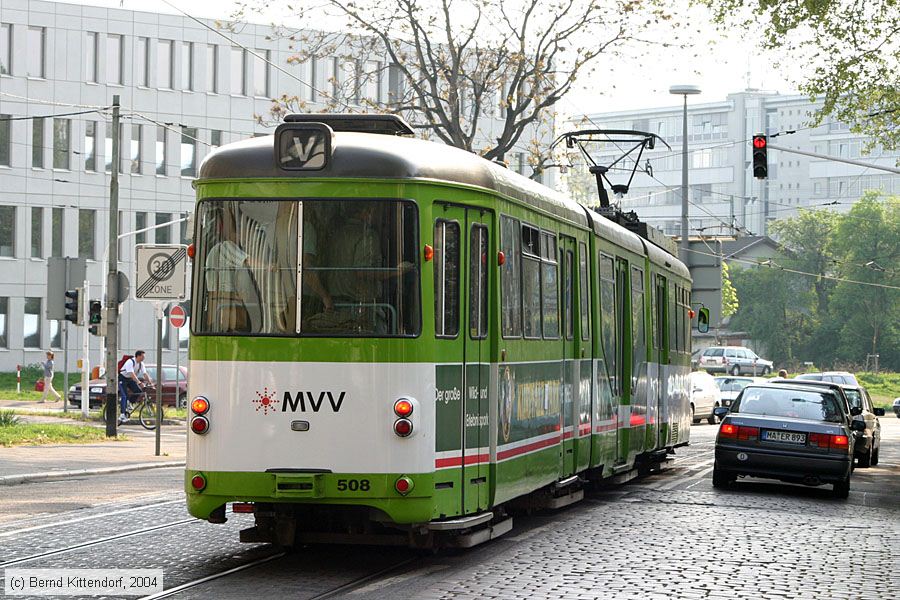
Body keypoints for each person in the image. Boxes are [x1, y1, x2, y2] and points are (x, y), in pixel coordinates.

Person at [203, 208, 263, 332]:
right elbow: (249, 262)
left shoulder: (215, 250)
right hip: (228, 309)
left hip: (218, 310)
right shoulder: (226, 247)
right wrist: (270, 267)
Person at [118, 351, 153, 424]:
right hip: (122, 378)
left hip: (130, 379)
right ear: (138, 356)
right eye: (143, 356)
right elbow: (132, 374)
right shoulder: (130, 362)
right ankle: (122, 415)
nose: (144, 358)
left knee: (138, 391)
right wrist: (139, 383)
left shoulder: (141, 364)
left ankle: (130, 403)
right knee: (124, 396)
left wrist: (151, 383)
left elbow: (145, 374)